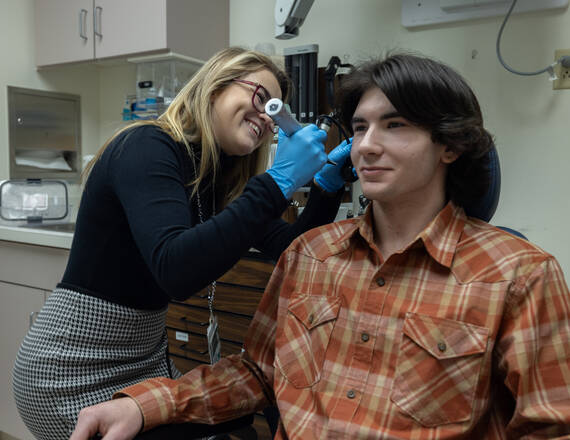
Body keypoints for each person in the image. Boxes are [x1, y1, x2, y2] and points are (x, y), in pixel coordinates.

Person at [69, 52, 570, 440]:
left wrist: (321, 188)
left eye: (395, 125)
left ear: (450, 145)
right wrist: (143, 404)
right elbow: (257, 372)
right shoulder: (309, 255)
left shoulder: (519, 275)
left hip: (140, 350)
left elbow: (550, 425)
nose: (366, 145)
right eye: (358, 127)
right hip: (84, 359)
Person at [12, 47, 352, 440]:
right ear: (215, 87)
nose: (267, 119)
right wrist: (279, 181)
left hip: (147, 360)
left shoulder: (216, 180)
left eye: (275, 114)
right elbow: (175, 268)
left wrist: (326, 185)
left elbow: (290, 245)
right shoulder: (147, 146)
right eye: (262, 99)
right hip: (71, 368)